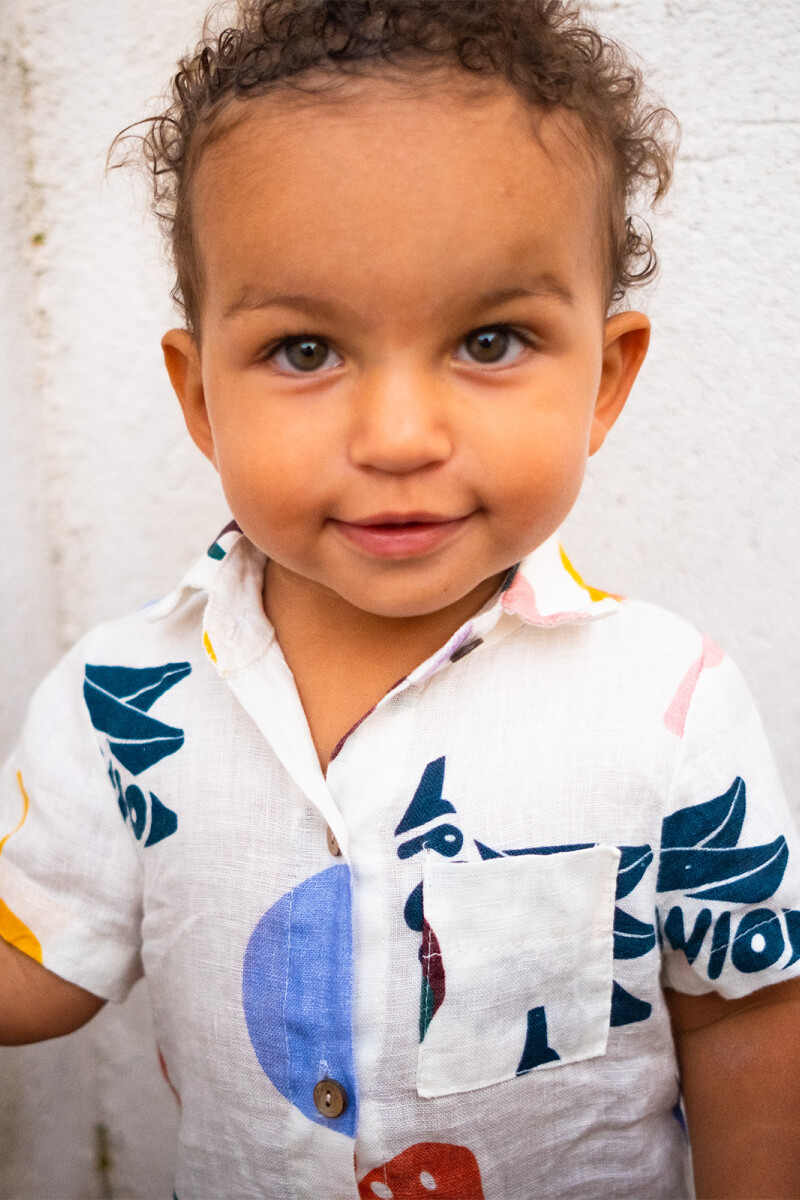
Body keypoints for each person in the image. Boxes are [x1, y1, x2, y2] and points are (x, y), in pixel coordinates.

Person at [1, 1, 799, 1196]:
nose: (397, 436)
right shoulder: (125, 699)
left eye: (489, 340)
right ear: (201, 396)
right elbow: (42, 974)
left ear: (604, 376)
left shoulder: (665, 703)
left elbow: (742, 1018)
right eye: (306, 352)